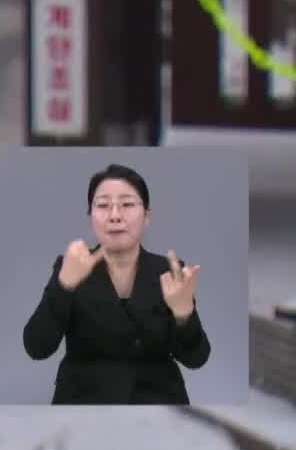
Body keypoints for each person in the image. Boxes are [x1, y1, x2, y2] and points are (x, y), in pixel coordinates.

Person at [21, 163, 211, 404]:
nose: (114, 216)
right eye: (102, 206)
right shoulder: (69, 266)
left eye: (127, 205)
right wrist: (64, 285)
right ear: (90, 216)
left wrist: (184, 314)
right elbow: (36, 347)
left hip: (157, 407)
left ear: (147, 216)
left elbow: (197, 358)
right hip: (85, 405)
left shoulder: (167, 271)